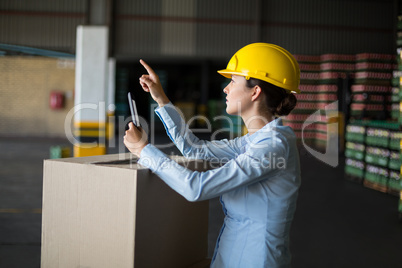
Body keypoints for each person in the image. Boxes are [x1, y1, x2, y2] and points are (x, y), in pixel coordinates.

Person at [124, 42, 301, 268]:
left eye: (233, 81)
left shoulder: (273, 146)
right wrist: (161, 99)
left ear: (255, 92)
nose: (226, 89)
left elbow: (197, 187)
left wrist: (143, 150)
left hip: (257, 260)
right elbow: (194, 149)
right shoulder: (253, 141)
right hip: (232, 254)